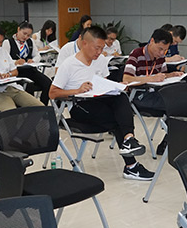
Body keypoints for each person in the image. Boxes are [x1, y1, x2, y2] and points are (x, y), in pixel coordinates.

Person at [50, 25, 154, 181]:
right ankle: (131, 165)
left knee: (121, 97)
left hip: (99, 100)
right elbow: (52, 93)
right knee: (118, 119)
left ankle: (129, 140)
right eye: (96, 48)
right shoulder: (69, 64)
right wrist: (77, 90)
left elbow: (104, 82)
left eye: (102, 48)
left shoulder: (100, 61)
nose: (99, 52)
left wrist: (115, 86)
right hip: (80, 106)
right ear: (84, 43)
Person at [122, 28, 187, 117]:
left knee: (184, 97)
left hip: (157, 91)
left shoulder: (161, 57)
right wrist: (150, 78)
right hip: (140, 94)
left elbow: (161, 76)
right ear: (152, 41)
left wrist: (171, 75)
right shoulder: (136, 54)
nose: (162, 53)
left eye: (165, 50)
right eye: (160, 49)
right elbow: (126, 79)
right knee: (174, 104)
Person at [4, 21, 52, 104]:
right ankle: (31, 108)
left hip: (30, 70)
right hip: (17, 72)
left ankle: (43, 106)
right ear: (18, 29)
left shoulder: (30, 41)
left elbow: (37, 55)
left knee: (48, 84)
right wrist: (15, 62)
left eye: (28, 35)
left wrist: (33, 60)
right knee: (29, 87)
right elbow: (4, 60)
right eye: (24, 33)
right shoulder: (8, 42)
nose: (26, 37)